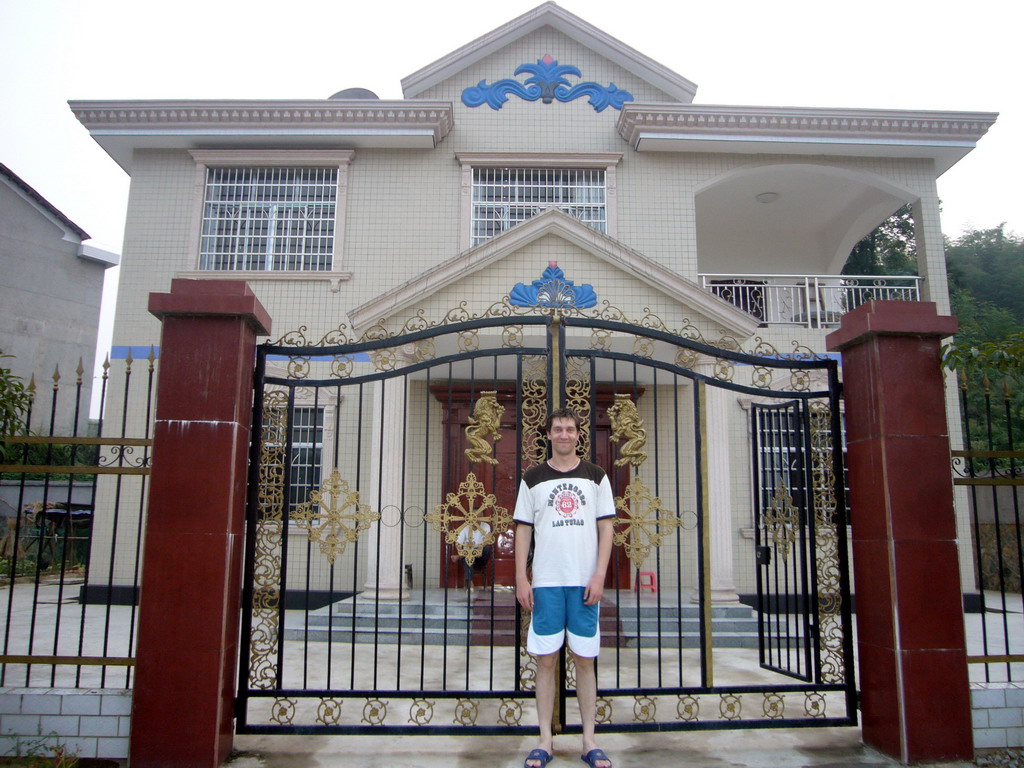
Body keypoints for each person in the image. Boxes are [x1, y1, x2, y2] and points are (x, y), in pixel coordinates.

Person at [514, 408, 615, 768]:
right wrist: (522, 578)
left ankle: (589, 740)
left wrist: (600, 574)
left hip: (584, 583)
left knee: (585, 661)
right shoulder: (533, 478)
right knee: (545, 661)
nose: (564, 435)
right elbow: (523, 529)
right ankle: (544, 739)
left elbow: (606, 529)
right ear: (549, 434)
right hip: (547, 583)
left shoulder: (596, 476)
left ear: (578, 435)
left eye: (570, 429)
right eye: (557, 429)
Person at [450, 520, 492, 594]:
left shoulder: (486, 526)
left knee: (486, 549)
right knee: (468, 558)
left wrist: (476, 551)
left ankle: (460, 557)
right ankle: (469, 581)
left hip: (480, 557)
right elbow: (459, 543)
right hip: (467, 557)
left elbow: (487, 541)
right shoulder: (464, 528)